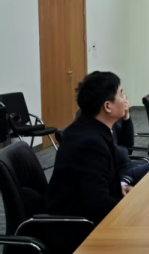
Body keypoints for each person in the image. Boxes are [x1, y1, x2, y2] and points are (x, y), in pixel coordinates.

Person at [46, 71, 131, 226]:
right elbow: (98, 204)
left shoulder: (91, 129)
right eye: (121, 94)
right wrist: (133, 210)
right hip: (78, 228)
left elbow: (94, 186)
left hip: (86, 215)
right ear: (108, 106)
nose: (125, 98)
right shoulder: (89, 143)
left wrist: (119, 189)